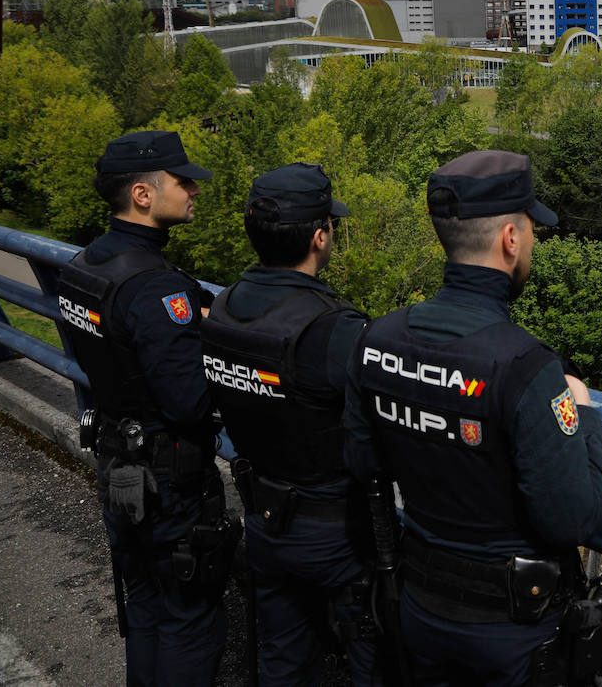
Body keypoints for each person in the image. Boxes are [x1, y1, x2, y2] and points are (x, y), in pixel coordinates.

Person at [344, 150, 602, 686]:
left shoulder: (375, 342)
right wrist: (583, 416)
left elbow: (361, 466)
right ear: (510, 239)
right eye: (532, 229)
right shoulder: (526, 368)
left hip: (419, 605)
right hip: (513, 632)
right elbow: (573, 520)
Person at [56, 131, 235, 685]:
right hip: (169, 482)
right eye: (183, 183)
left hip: (118, 462)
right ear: (142, 193)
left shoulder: (84, 266)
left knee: (146, 609)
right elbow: (189, 403)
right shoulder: (156, 289)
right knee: (189, 619)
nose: (193, 191)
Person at [202, 163, 382, 684]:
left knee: (282, 659)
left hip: (263, 515)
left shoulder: (224, 306)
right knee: (373, 655)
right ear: (320, 236)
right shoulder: (332, 329)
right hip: (336, 532)